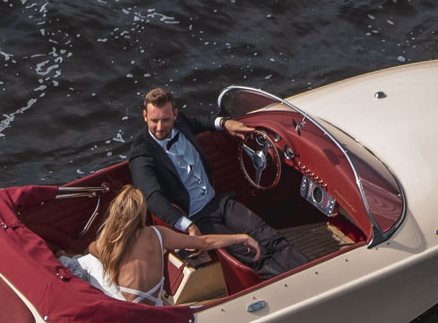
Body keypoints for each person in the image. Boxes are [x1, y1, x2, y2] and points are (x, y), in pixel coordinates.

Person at [127, 86, 304, 278]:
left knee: (269, 236)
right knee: (252, 254)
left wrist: (226, 123)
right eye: (154, 121)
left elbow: (200, 122)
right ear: (145, 116)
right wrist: (188, 226)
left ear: (175, 115)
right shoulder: (141, 152)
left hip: (220, 203)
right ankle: (292, 286)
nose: (160, 127)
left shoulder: (181, 122)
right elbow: (152, 197)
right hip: (198, 217)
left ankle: (312, 273)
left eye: (166, 120)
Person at [61, 186, 256, 305]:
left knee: (84, 260)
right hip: (152, 303)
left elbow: (94, 250)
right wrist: (242, 237)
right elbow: (204, 242)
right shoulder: (157, 234)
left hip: (127, 304)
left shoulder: (108, 242)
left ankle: (61, 266)